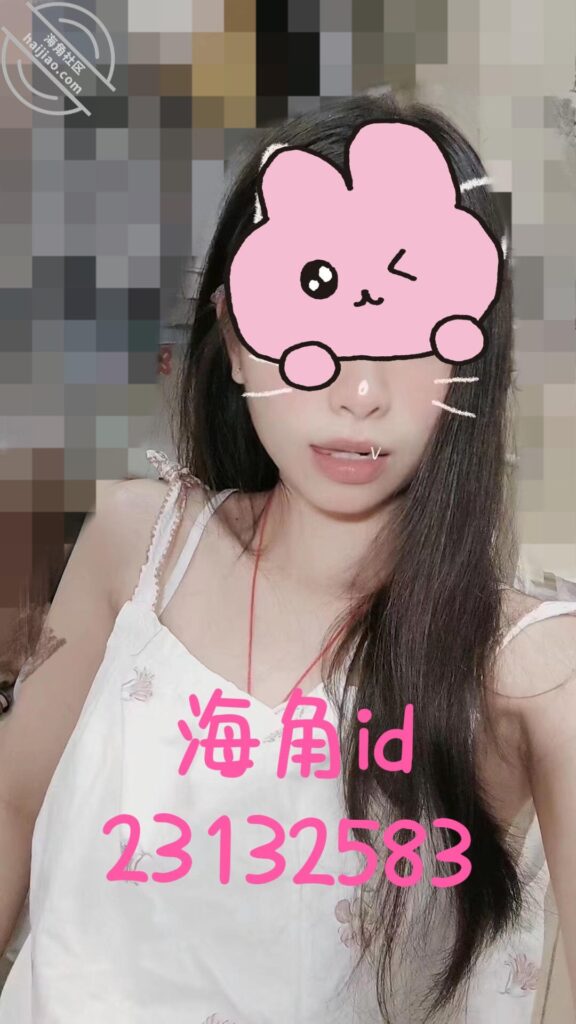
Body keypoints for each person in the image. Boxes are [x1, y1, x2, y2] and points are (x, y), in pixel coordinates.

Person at [0, 90, 575, 1024]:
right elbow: (14, 809)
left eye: (409, 332)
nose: (358, 392)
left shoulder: (528, 667)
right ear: (235, 339)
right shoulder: (136, 547)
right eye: (315, 315)